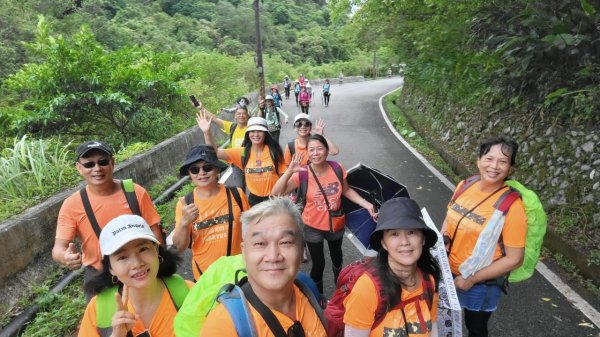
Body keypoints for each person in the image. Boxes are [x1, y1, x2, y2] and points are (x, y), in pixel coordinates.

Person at [200, 197, 327, 337]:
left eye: (285, 242)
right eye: (260, 243)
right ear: (244, 251)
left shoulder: (307, 288)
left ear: (302, 249)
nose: (273, 256)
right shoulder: (222, 327)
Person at [52, 141, 163, 300]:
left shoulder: (135, 192)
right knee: (107, 323)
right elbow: (58, 248)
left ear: (112, 162)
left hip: (139, 268)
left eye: (102, 162)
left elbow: (155, 233)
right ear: (79, 168)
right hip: (100, 276)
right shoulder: (72, 204)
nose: (97, 169)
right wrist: (65, 257)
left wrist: (156, 264)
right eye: (89, 164)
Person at [440, 136, 527, 337]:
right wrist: (444, 237)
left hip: (480, 283)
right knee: (444, 322)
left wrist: (471, 279)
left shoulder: (512, 206)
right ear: (478, 160)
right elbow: (449, 217)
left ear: (510, 168)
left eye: (503, 161)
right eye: (489, 158)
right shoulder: (465, 185)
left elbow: (515, 259)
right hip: (447, 272)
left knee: (476, 328)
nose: (494, 166)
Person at [271, 134, 377, 294]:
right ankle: (318, 296)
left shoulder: (337, 168)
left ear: (326, 151)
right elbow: (275, 193)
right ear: (307, 152)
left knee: (337, 258)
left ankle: (339, 287)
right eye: (311, 150)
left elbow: (346, 190)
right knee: (318, 264)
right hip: (311, 227)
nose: (315, 153)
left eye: (319, 149)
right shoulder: (302, 173)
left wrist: (366, 204)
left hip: (336, 223)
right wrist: (288, 172)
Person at [78, 214, 193, 337]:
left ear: (156, 250)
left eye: (143, 249)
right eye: (122, 257)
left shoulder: (189, 292)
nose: (137, 263)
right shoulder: (98, 309)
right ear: (111, 268)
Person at [343, 197, 440, 337]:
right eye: (394, 234)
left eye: (411, 232)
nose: (405, 242)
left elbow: (433, 327)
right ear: (383, 243)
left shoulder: (429, 281)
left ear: (423, 239)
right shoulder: (367, 289)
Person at [171, 144, 250, 280]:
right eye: (195, 170)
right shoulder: (185, 204)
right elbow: (179, 248)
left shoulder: (236, 194)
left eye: (207, 167)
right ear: (190, 174)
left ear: (217, 169)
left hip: (239, 273)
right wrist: (184, 222)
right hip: (205, 278)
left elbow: (251, 230)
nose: (202, 173)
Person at [198, 113, 286, 206]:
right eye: (252, 131)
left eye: (260, 131)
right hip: (254, 201)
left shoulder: (274, 152)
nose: (256, 134)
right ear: (248, 133)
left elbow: (283, 176)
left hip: (275, 199)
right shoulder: (243, 153)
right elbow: (215, 153)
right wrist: (207, 132)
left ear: (265, 134)